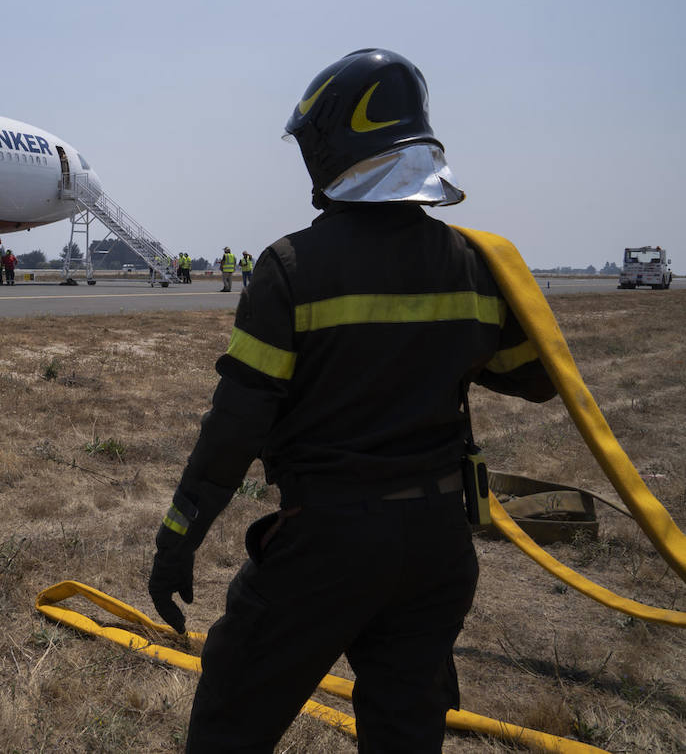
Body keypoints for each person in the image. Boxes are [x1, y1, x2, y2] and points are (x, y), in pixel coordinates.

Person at [147, 49, 556, 753]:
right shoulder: (474, 267)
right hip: (438, 544)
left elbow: (237, 425)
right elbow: (535, 378)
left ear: (333, 145)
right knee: (405, 728)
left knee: (231, 714)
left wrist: (177, 535)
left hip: (329, 542)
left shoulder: (290, 269)